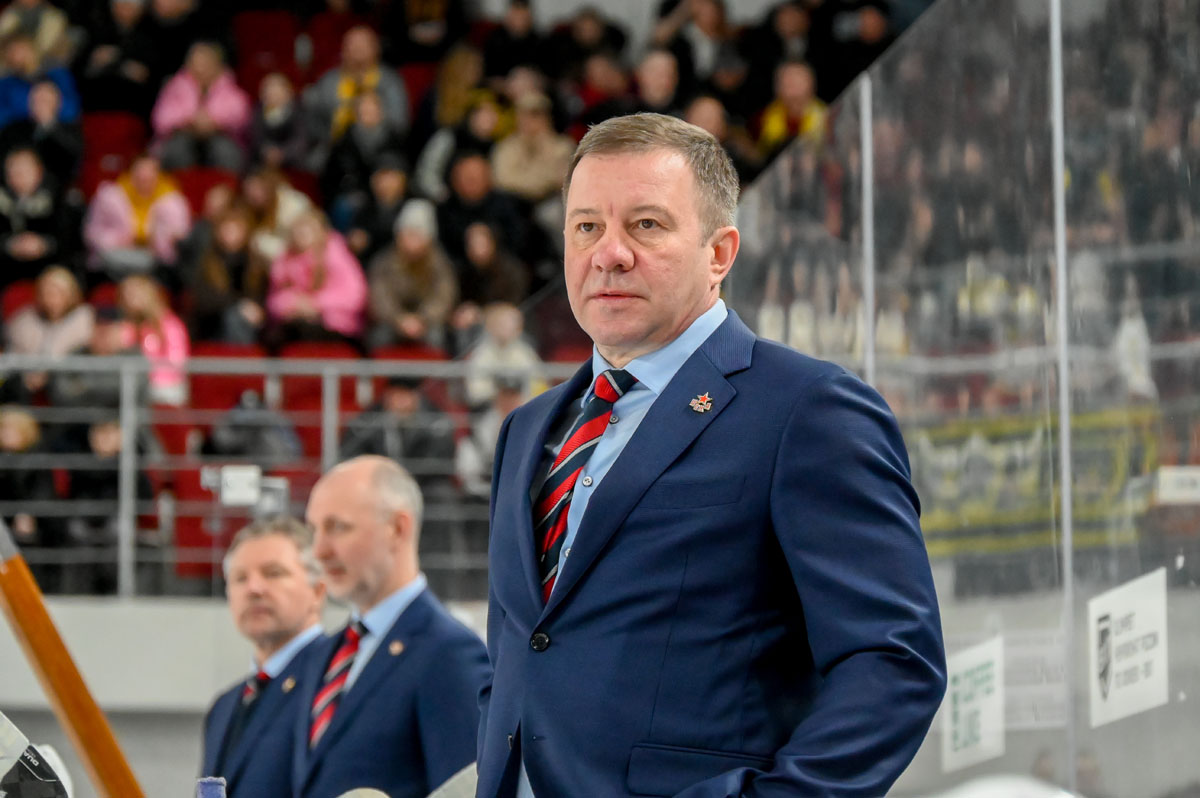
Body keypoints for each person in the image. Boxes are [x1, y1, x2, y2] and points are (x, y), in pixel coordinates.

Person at [478, 113, 946, 797]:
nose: (609, 253)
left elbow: (892, 663)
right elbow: (517, 657)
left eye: (645, 224)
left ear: (720, 253)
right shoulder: (525, 431)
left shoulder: (807, 409)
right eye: (586, 227)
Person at [296, 455, 490, 798]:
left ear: (398, 529)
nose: (319, 550)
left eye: (338, 527)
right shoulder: (324, 654)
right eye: (314, 530)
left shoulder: (449, 653)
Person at [201, 517, 326, 798]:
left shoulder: (338, 683)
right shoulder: (223, 708)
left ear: (317, 591)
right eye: (240, 578)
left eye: (273, 573)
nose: (254, 588)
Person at [151, 41, 252, 171]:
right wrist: (188, 120)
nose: (200, 69)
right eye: (196, 64)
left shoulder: (230, 88)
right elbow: (160, 119)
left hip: (219, 136)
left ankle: (225, 183)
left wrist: (215, 121)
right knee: (177, 149)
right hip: (182, 135)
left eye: (205, 64)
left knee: (225, 151)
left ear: (217, 66)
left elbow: (241, 117)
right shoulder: (175, 86)